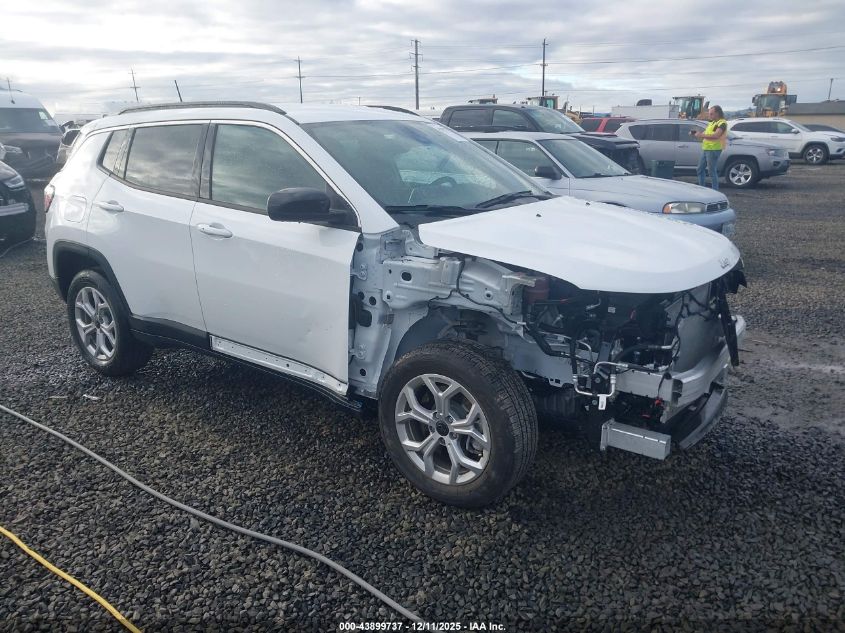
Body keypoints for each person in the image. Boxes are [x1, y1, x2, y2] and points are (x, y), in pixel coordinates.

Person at [693, 105, 728, 190]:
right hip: (706, 148)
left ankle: (715, 190)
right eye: (709, 113)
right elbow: (706, 134)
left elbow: (716, 135)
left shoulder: (722, 123)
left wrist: (701, 135)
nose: (709, 115)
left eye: (711, 114)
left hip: (714, 149)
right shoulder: (712, 123)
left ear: (717, 113)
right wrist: (696, 133)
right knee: (700, 169)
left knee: (711, 171)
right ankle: (702, 189)